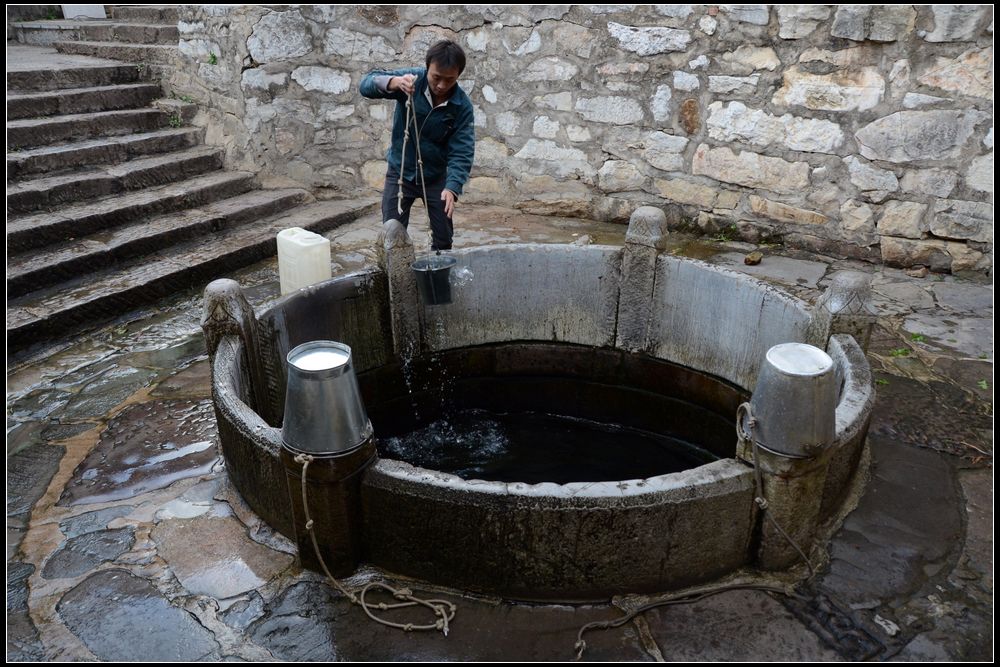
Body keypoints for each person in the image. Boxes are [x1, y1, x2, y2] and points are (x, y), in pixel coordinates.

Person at [359, 40, 475, 251]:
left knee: (443, 237)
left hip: (435, 178)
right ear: (427, 68)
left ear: (458, 75)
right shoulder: (412, 80)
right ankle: (395, 276)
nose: (441, 85)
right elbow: (366, 84)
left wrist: (452, 187)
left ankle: (438, 278)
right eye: (436, 77)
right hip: (401, 172)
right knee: (392, 232)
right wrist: (393, 82)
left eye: (449, 80)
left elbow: (462, 151)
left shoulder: (461, 106)